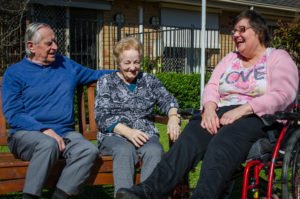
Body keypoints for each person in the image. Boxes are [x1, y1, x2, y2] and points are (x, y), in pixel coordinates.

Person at [115, 9, 299, 199]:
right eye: (234, 31)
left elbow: (283, 94)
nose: (236, 34)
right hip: (221, 113)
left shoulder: (278, 57)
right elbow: (212, 86)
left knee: (224, 139)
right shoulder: (230, 59)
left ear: (258, 32)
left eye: (242, 29)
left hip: (260, 117)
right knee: (190, 136)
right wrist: (209, 108)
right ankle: (147, 191)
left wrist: (243, 110)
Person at [1, 22, 113, 199]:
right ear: (31, 46)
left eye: (55, 42)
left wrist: (127, 71)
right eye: (49, 43)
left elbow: (95, 75)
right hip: (26, 134)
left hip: (64, 133)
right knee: (48, 144)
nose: (55, 47)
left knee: (88, 150)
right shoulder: (14, 73)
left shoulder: (65, 65)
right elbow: (13, 114)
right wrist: (44, 130)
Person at [94, 36, 180, 196]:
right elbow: (101, 116)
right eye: (127, 63)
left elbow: (167, 99)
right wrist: (128, 132)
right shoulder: (106, 81)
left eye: (136, 62)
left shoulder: (149, 80)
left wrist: (173, 116)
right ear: (118, 63)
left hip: (144, 133)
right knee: (124, 150)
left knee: (154, 150)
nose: (133, 67)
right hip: (115, 134)